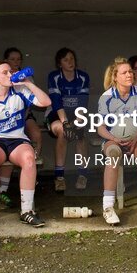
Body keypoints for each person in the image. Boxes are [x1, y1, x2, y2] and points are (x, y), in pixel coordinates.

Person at [0, 61, 52, 230]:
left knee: (29, 159)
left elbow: (45, 102)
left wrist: (28, 82)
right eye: (4, 73)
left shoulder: (20, 91)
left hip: (17, 139)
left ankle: (27, 211)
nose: (9, 75)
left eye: (10, 72)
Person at [95, 57, 137, 225]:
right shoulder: (106, 97)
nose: (129, 74)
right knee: (114, 155)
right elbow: (100, 128)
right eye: (124, 72)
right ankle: (108, 207)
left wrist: (136, 137)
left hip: (135, 139)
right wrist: (114, 138)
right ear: (115, 77)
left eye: (130, 71)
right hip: (113, 140)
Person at [1, 46, 42, 205]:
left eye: (19, 59)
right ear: (6, 61)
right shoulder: (3, 77)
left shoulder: (27, 78)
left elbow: (32, 104)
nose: (16, 62)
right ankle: (3, 187)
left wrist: (22, 118)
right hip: (6, 118)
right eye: (13, 59)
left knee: (36, 134)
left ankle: (33, 171)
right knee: (10, 142)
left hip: (24, 113)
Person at [46, 47, 91, 192]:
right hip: (57, 114)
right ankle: (59, 177)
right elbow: (56, 101)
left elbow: (83, 103)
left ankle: (82, 175)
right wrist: (66, 123)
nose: (70, 62)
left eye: (72, 58)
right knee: (62, 131)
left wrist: (76, 122)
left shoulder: (83, 76)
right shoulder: (54, 76)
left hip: (77, 114)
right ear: (60, 63)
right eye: (66, 60)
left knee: (80, 133)